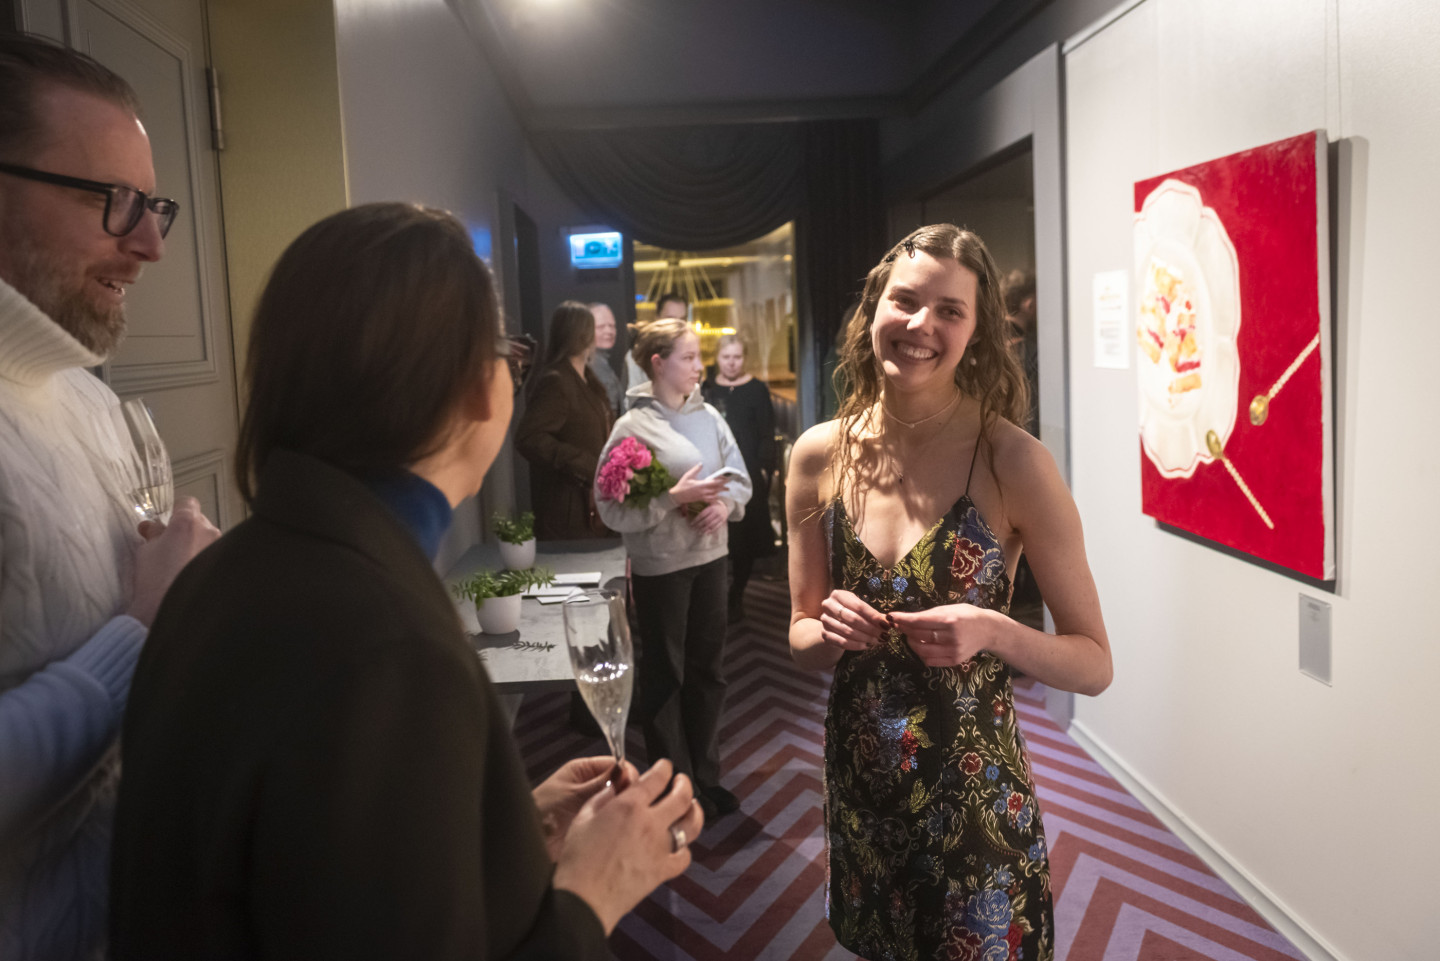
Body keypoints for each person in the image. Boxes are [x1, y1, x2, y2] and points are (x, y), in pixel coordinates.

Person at [110, 204, 704, 959]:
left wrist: (508, 828)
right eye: (506, 355)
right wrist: (596, 888)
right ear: (476, 387)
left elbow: (312, 874)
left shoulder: (221, 571)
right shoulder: (391, 647)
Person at [785, 225, 1112, 961]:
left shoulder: (1013, 461)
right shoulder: (817, 455)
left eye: (950, 310)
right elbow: (801, 634)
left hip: (975, 804)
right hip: (863, 791)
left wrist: (993, 629)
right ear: (874, 306)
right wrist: (826, 629)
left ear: (977, 330)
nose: (921, 325)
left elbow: (1094, 664)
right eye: (905, 300)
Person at [0, 33, 221, 960]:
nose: (151, 245)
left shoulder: (89, 399)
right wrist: (140, 631)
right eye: (113, 201)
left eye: (153, 204)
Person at [595, 317, 751, 822]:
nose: (699, 366)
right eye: (689, 357)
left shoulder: (709, 416)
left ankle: (705, 777)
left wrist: (724, 504)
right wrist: (670, 499)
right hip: (662, 566)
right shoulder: (631, 427)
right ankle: (672, 785)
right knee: (666, 676)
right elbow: (609, 507)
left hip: (712, 559)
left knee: (709, 672)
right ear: (658, 364)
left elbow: (740, 479)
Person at [516, 301, 613, 540]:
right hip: (568, 511)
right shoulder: (556, 381)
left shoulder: (588, 381)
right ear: (583, 335)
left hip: (594, 504)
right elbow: (529, 437)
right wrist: (581, 463)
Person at [702, 334, 777, 623]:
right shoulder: (707, 388)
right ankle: (717, 598)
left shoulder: (756, 389)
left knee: (746, 539)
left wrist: (764, 469)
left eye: (737, 357)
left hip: (749, 471)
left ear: (744, 358)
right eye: (726, 357)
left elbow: (767, 432)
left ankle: (737, 595)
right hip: (714, 471)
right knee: (719, 537)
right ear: (717, 358)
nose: (732, 363)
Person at [625, 291, 688, 403]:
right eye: (670, 318)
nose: (677, 324)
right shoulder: (640, 353)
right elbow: (632, 400)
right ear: (658, 318)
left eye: (682, 319)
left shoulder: (688, 353)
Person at [587, 301, 625, 415]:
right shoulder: (593, 365)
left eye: (612, 326)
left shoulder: (600, 361)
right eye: (601, 327)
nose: (609, 331)